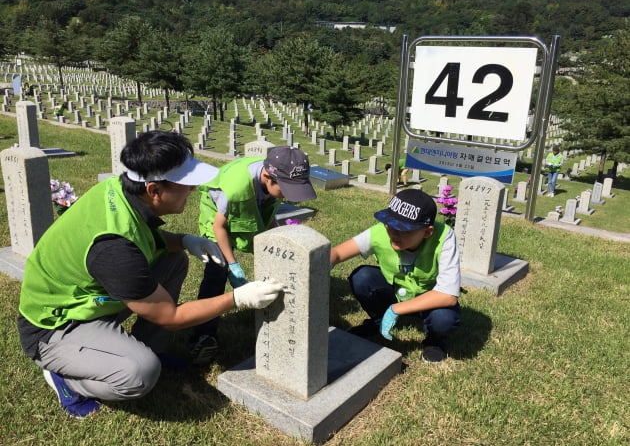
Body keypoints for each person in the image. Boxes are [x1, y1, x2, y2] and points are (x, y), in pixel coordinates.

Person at [17, 131, 285, 419]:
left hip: (89, 298)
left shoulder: (120, 192)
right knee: (140, 373)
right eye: (185, 184)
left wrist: (183, 240)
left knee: (173, 259)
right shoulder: (114, 249)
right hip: (55, 326)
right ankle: (66, 380)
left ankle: (150, 346)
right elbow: (170, 317)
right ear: (155, 190)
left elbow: (145, 238)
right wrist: (237, 298)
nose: (193, 190)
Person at [191, 146, 317, 364]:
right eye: (286, 190)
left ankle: (267, 311)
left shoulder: (277, 176)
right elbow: (219, 227)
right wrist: (232, 264)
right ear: (267, 177)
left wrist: (276, 237)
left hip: (253, 202)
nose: (290, 197)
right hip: (216, 217)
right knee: (217, 271)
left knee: (269, 253)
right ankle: (204, 333)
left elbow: (268, 214)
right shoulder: (235, 189)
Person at [330, 189, 461, 363]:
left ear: (427, 232)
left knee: (444, 318)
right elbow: (337, 254)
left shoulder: (444, 237)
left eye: (404, 230)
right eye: (389, 224)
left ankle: (434, 341)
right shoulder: (379, 232)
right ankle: (377, 322)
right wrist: (313, 265)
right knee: (362, 277)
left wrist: (395, 309)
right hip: (395, 291)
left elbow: (448, 295)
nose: (393, 232)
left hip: (428, 299)